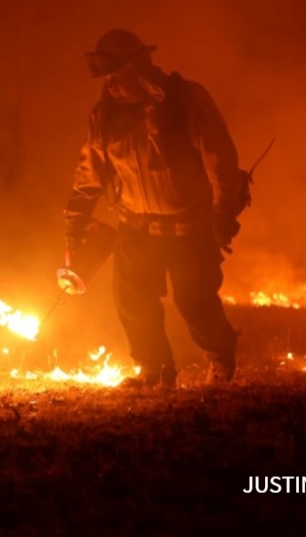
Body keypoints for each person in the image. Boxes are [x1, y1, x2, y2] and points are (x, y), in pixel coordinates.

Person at [64, 28, 243, 388]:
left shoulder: (185, 101)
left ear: (142, 68)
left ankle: (220, 358)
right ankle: (155, 370)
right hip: (135, 224)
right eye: (108, 78)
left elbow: (219, 159)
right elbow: (88, 176)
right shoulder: (105, 116)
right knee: (132, 300)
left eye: (120, 76)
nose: (112, 85)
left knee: (194, 300)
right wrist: (74, 227)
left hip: (189, 222)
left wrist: (222, 214)